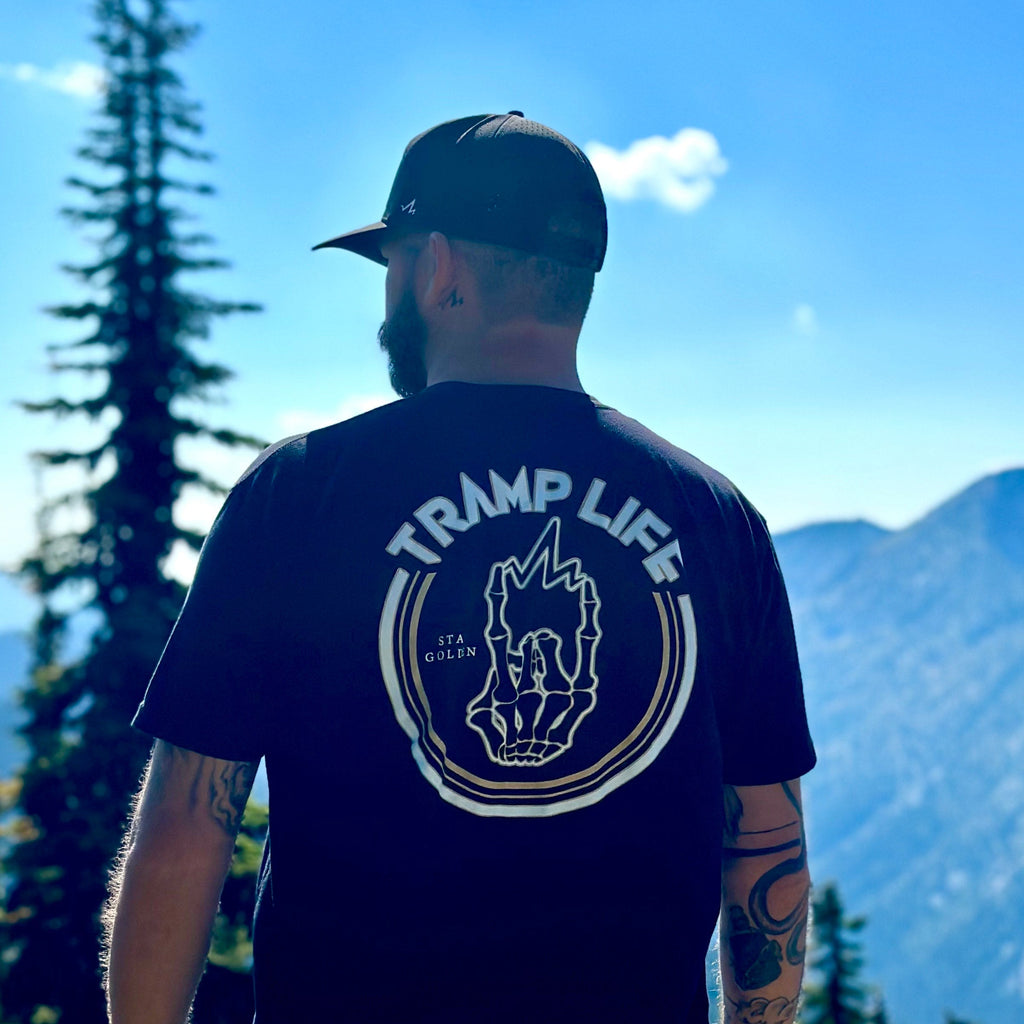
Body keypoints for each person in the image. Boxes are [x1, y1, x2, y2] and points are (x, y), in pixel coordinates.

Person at [104, 112, 815, 1024]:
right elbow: (765, 843)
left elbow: (184, 834)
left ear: (437, 269)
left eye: (393, 264)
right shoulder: (719, 522)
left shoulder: (300, 493)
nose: (389, 297)